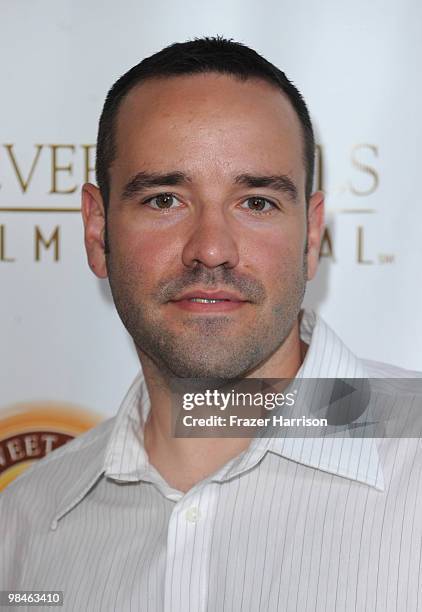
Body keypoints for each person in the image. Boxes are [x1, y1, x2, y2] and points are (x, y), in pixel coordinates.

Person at [1, 37, 421, 612]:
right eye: (164, 199)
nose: (212, 250)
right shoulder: (25, 523)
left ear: (311, 236)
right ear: (97, 233)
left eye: (257, 202)